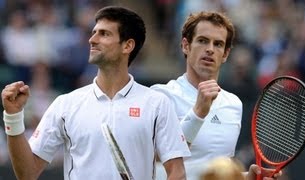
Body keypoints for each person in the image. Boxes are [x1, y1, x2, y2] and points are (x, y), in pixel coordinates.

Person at [1, 6, 190, 180]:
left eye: (104, 34)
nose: (92, 39)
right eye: (93, 33)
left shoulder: (157, 103)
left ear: (127, 46)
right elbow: (27, 174)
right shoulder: (65, 104)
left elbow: (177, 172)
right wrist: (13, 118)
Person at [151, 11, 282, 180]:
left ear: (226, 54)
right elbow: (153, 157)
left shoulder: (234, 104)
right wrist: (198, 113)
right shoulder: (160, 95)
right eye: (202, 41)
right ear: (186, 46)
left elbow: (214, 171)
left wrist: (246, 177)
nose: (210, 49)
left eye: (218, 44)